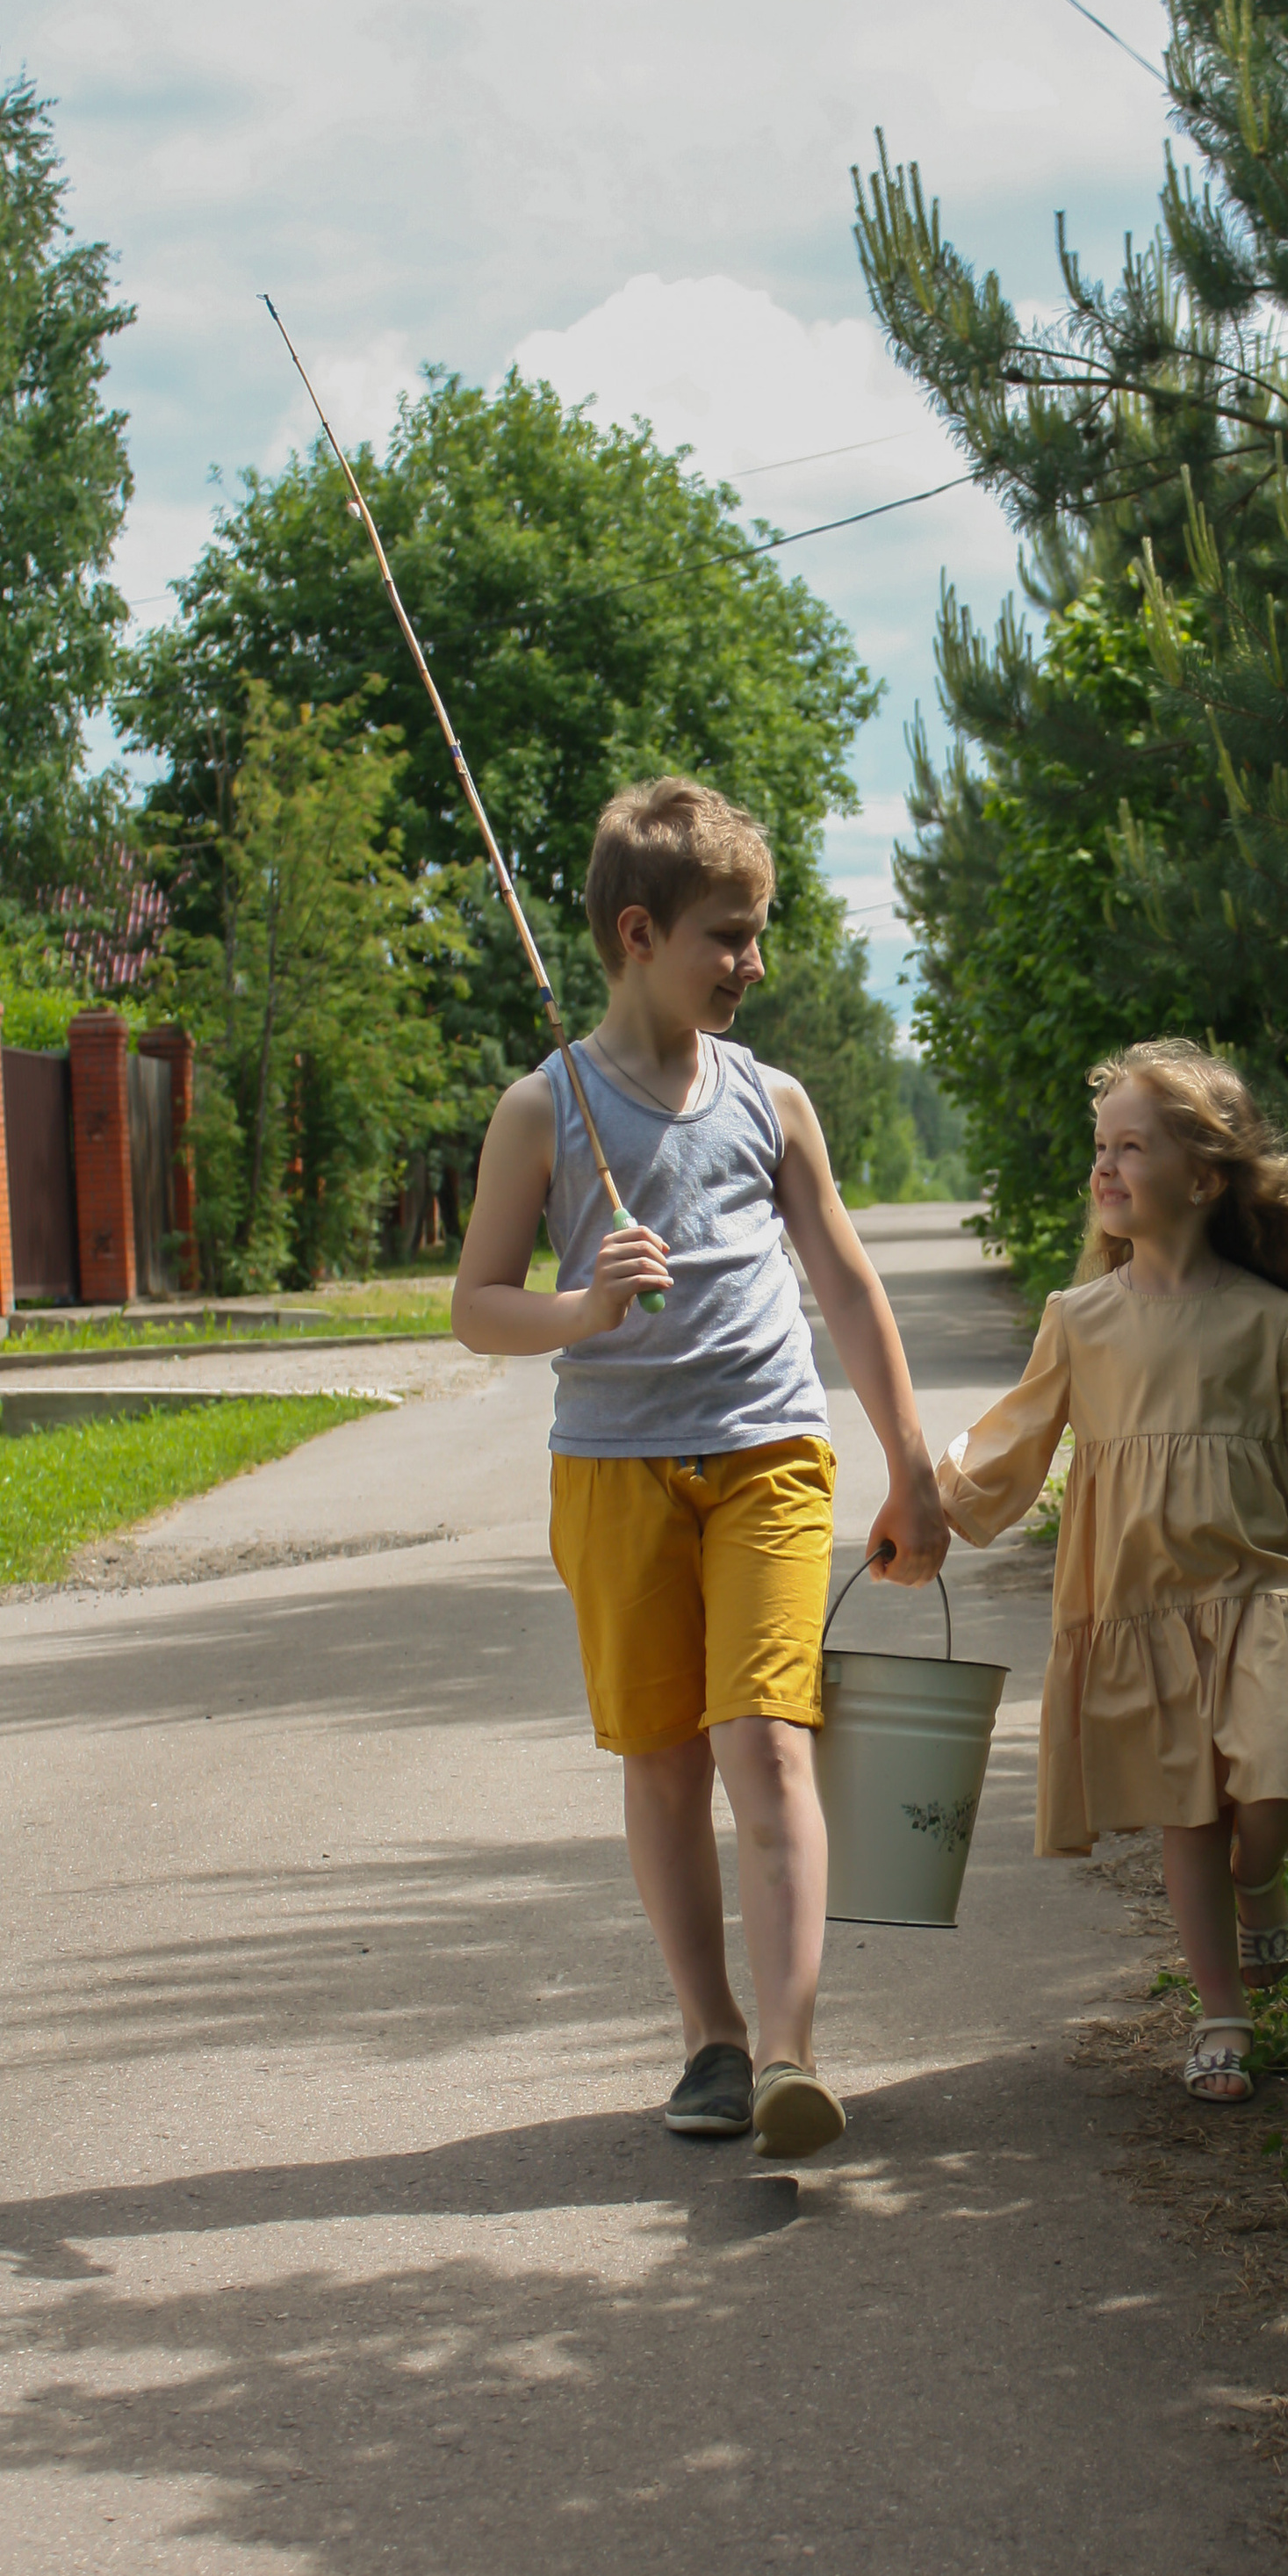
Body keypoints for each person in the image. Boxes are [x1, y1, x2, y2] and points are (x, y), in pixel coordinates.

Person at [451, 776, 948, 2158]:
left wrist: (909, 1467)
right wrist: (581, 1312)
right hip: (612, 1472)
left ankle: (792, 2050)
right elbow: (477, 1302)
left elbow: (845, 1284)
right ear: (635, 931)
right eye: (728, 934)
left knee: (768, 1742)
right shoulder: (543, 1111)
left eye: (760, 929)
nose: (753, 961)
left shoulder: (773, 1100)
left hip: (770, 1459)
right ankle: (712, 2039)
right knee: (667, 1761)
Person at [936, 1039, 1288, 2105]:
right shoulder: (1080, 1319)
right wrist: (935, 1506)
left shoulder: (1273, 1323)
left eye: (1129, 1147)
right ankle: (1222, 2012)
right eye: (1100, 1146)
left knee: (1273, 1776)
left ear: (1202, 1177)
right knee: (1187, 1807)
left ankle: (1260, 1878)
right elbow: (1013, 1440)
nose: (1103, 1167)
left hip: (1260, 1595)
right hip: (1137, 1602)